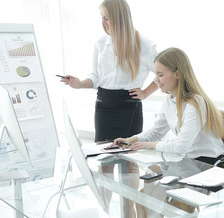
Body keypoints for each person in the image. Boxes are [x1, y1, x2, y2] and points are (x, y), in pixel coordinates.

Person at [60, 0, 158, 142]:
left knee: (131, 160)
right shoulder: (100, 44)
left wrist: (145, 93)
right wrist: (80, 83)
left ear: (120, 18)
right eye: (101, 17)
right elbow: (95, 77)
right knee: (104, 159)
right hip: (103, 107)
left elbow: (163, 74)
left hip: (129, 107)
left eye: (106, 18)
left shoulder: (145, 45)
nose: (103, 23)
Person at [113, 47, 224, 164]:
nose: (156, 80)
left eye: (160, 75)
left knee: (154, 177)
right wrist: (131, 140)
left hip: (207, 164)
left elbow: (180, 146)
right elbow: (156, 132)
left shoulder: (195, 103)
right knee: (151, 174)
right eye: (156, 74)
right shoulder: (169, 100)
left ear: (177, 74)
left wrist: (149, 145)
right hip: (188, 161)